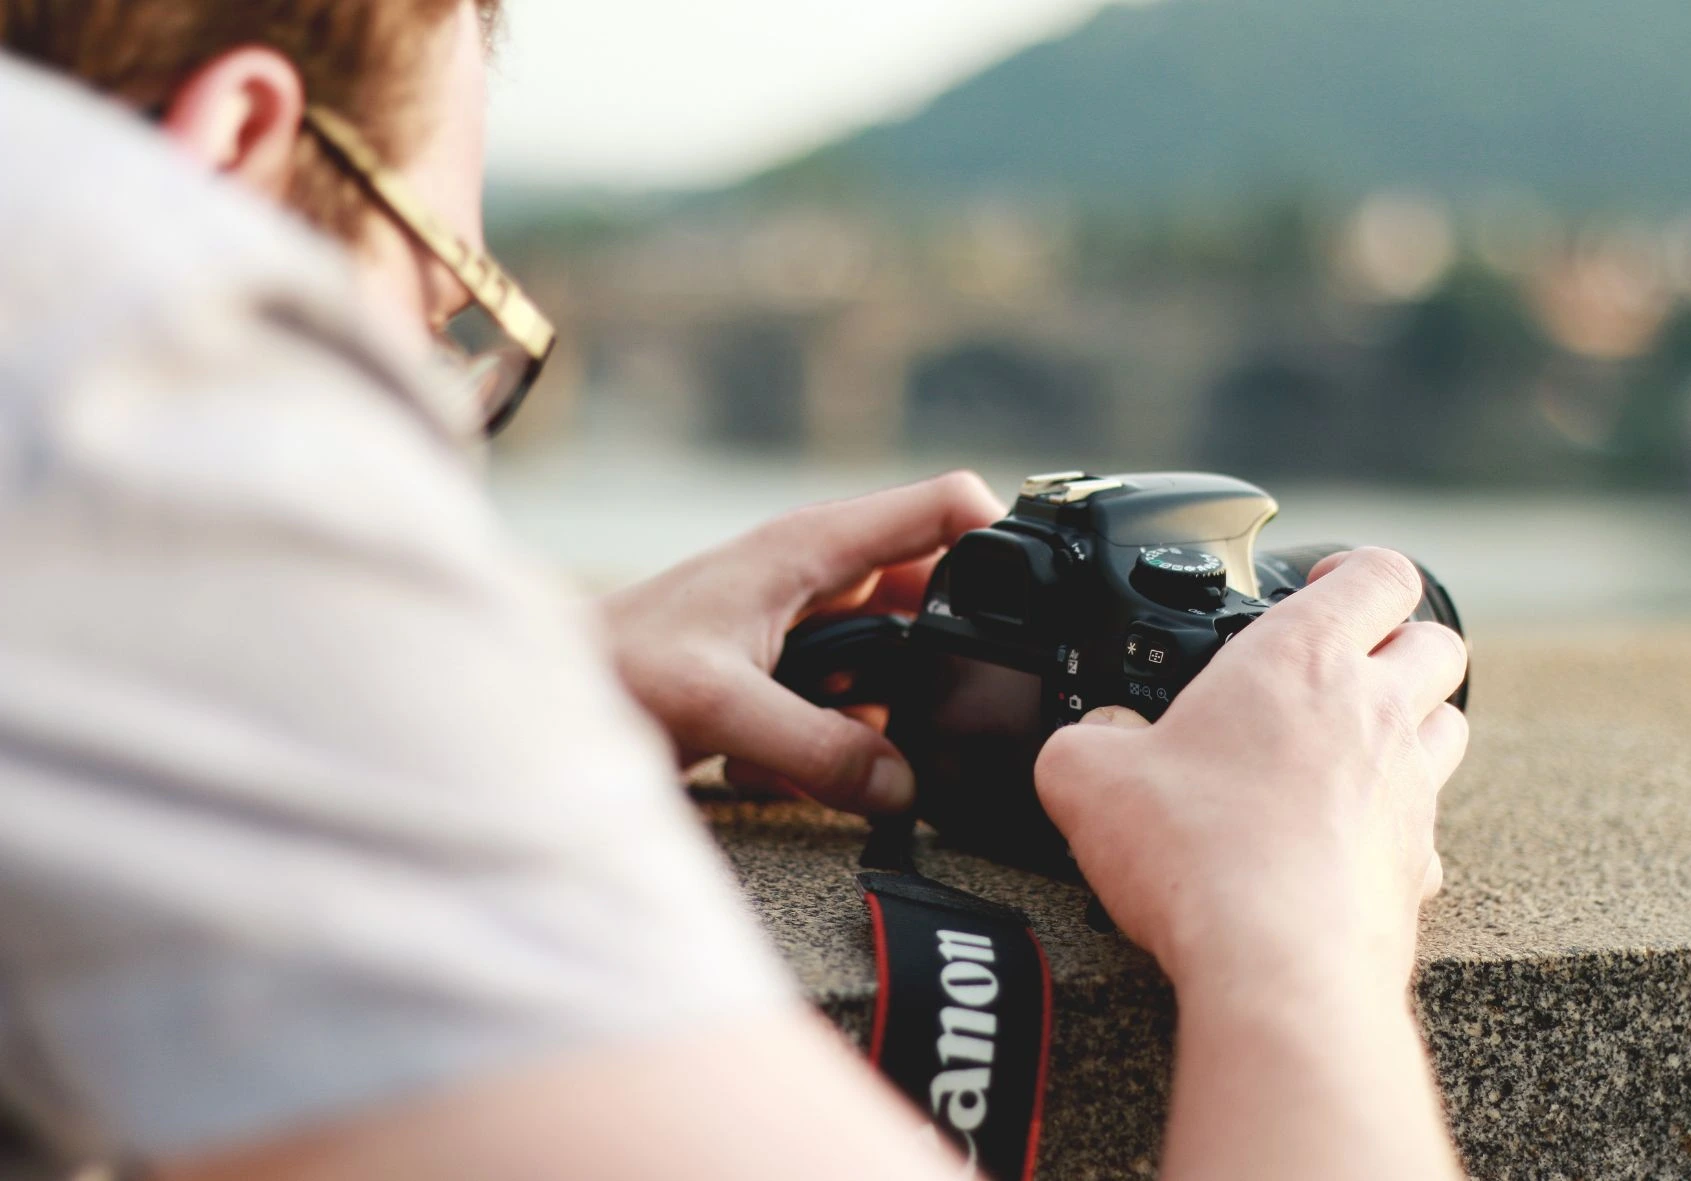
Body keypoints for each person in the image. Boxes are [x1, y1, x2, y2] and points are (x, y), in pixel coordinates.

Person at [0, 3, 1470, 1179]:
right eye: (444, 317)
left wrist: (503, 707)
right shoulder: (102, 345)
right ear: (232, 150)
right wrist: (1300, 938)